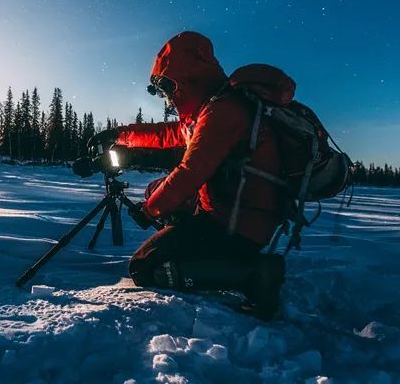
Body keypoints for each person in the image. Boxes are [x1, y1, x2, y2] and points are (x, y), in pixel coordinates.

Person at [88, 31, 287, 319]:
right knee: (156, 189)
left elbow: (191, 172)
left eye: (169, 86)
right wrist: (120, 135)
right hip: (228, 212)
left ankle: (254, 273)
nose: (168, 97)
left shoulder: (223, 111)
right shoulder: (211, 108)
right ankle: (203, 255)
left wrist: (149, 211)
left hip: (237, 226)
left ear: (189, 77)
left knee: (144, 267)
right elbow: (167, 134)